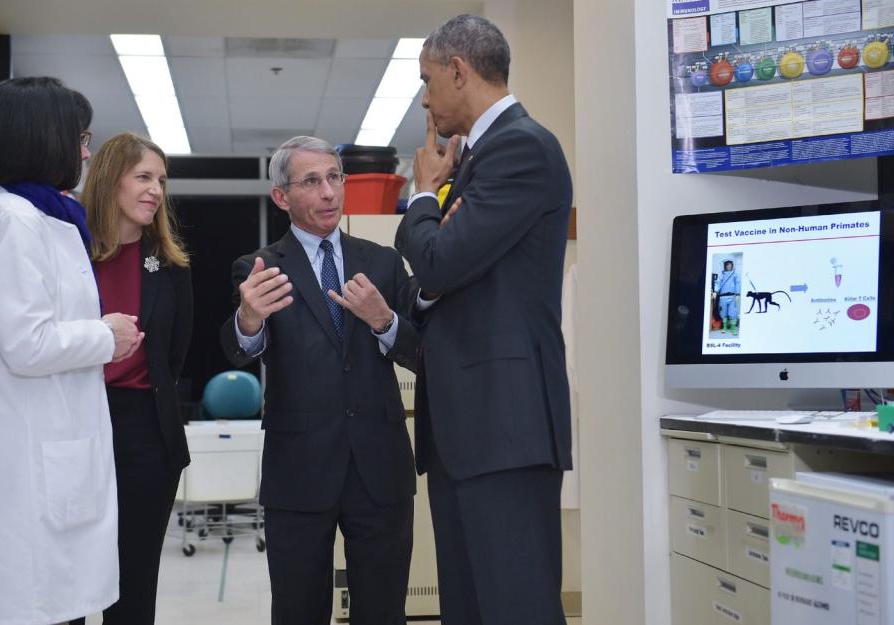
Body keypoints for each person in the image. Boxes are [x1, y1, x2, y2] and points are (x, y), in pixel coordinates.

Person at [0, 77, 143, 625]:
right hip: (18, 459)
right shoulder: (8, 220)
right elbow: (26, 344)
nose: (85, 151)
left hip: (37, 446)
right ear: (39, 137)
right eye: (79, 137)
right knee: (23, 602)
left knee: (45, 600)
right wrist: (107, 335)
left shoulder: (30, 215)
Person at [393, 15, 573, 625]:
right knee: (467, 611)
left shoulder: (521, 148)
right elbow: (445, 281)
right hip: (466, 434)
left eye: (427, 80)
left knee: (515, 608)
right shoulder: (477, 160)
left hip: (504, 430)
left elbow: (440, 262)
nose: (425, 97)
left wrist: (422, 195)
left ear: (458, 71)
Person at [220, 135, 418, 625]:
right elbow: (241, 349)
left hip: (380, 465)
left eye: (335, 178)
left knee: (383, 610)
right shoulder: (259, 268)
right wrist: (248, 321)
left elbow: (425, 352)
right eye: (312, 181)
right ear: (282, 197)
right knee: (298, 610)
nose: (329, 192)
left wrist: (384, 321)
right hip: (299, 468)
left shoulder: (383, 261)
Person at [77, 132, 194, 624]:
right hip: (78, 425)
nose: (156, 191)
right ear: (109, 181)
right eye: (143, 177)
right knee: (75, 579)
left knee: (134, 581)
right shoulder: (71, 251)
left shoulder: (169, 264)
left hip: (146, 430)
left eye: (161, 180)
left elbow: (176, 354)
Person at [717, 259, 739, 335]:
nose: (728, 266)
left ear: (732, 265)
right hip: (723, 296)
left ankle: (733, 328)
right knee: (723, 312)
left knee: (733, 312)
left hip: (732, 296)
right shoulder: (722, 274)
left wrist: (738, 294)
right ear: (725, 266)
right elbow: (718, 283)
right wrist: (715, 291)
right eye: (727, 265)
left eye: (730, 265)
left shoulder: (735, 274)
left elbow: (737, 284)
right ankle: (724, 327)